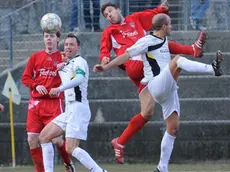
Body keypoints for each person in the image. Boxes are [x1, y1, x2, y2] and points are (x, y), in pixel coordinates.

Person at [94, 13, 223, 172]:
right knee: (177, 61)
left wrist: (193, 48)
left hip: (167, 87)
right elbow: (125, 56)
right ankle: (212, 68)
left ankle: (162, 167)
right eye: (169, 24)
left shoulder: (163, 40)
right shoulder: (146, 41)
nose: (171, 27)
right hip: (155, 84)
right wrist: (105, 67)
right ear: (163, 26)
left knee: (173, 129)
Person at [39, 33, 107, 172]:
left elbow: (79, 78)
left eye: (72, 44)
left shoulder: (80, 61)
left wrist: (59, 88)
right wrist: (61, 68)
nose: (68, 47)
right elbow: (66, 73)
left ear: (78, 47)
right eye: (66, 44)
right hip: (69, 109)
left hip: (78, 108)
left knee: (70, 148)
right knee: (44, 136)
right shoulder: (68, 64)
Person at [21, 31, 75, 172]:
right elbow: (25, 78)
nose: (49, 39)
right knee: (32, 139)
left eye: (51, 36)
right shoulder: (35, 57)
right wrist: (35, 85)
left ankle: (68, 163)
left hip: (54, 103)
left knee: (56, 139)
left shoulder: (63, 57)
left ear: (58, 38)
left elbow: (73, 76)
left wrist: (67, 66)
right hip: (35, 104)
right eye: (46, 36)